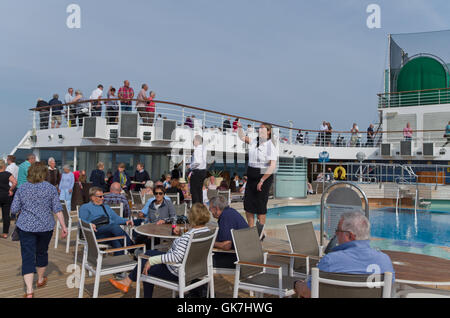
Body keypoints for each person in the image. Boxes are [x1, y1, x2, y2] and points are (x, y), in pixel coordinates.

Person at [109, 202, 212, 298]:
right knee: (148, 253)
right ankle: (127, 281)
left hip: (177, 272)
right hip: (194, 270)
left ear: (192, 217)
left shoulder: (188, 236)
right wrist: (182, 235)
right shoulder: (207, 232)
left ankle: (129, 283)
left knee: (145, 263)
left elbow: (176, 257)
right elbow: (186, 246)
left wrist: (152, 261)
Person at [294, 212, 395, 298]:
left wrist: (297, 284)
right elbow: (390, 289)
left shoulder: (330, 261)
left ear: (350, 235)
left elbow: (307, 293)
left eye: (338, 231)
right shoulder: (384, 260)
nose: (336, 234)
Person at [10, 162, 68, 298]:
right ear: (45, 174)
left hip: (26, 227)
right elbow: (57, 209)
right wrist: (64, 227)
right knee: (42, 252)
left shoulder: (23, 188)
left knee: (28, 256)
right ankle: (40, 280)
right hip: (45, 227)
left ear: (30, 173)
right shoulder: (51, 188)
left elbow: (13, 209)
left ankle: (29, 291)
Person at [238, 122, 278, 227]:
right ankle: (251, 229)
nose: (259, 130)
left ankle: (260, 232)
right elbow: (242, 137)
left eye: (262, 129)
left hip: (263, 176)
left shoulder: (270, 146)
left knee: (260, 205)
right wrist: (240, 127)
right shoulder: (254, 141)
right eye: (259, 128)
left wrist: (262, 180)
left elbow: (272, 166)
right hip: (251, 174)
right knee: (248, 204)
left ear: (268, 132)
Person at [79, 187, 134, 255]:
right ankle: (133, 249)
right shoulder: (85, 207)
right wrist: (89, 224)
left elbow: (115, 218)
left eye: (103, 196)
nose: (103, 198)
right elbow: (81, 221)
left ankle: (119, 261)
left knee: (116, 240)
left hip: (108, 232)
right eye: (100, 196)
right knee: (114, 227)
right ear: (93, 197)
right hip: (95, 232)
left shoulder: (105, 206)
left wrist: (126, 221)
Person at [209, 196, 249, 268]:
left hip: (238, 260)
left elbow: (226, 245)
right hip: (246, 256)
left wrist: (210, 242)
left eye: (210, 209)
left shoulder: (225, 217)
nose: (210, 212)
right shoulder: (231, 211)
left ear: (216, 208)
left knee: (201, 261)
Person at [0, 159, 17, 238]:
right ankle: (5, 233)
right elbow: (15, 182)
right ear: (4, 166)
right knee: (6, 215)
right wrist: (10, 189)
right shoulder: (7, 174)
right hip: (6, 195)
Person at [189, 134, 207, 204]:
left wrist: (190, 166)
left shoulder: (197, 149)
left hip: (197, 171)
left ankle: (196, 208)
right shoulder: (204, 148)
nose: (193, 142)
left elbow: (197, 162)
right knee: (199, 191)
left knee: (194, 191)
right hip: (203, 172)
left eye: (194, 140)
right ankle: (200, 207)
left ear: (197, 141)